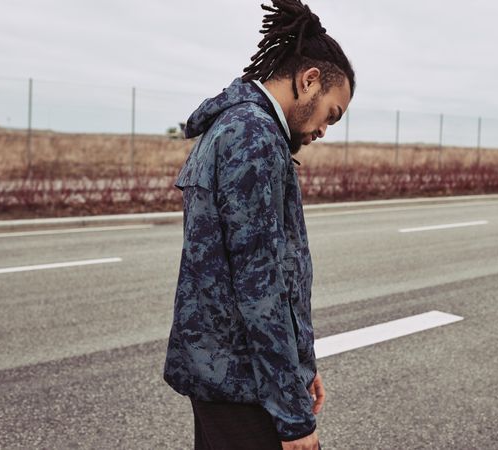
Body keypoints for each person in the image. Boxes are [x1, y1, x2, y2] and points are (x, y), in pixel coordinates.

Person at [162, 1, 355, 449]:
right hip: (244, 383)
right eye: (332, 112)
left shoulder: (234, 126)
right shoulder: (255, 136)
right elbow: (260, 285)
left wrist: (301, 367)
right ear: (309, 81)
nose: (326, 129)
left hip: (227, 373)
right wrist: (292, 411)